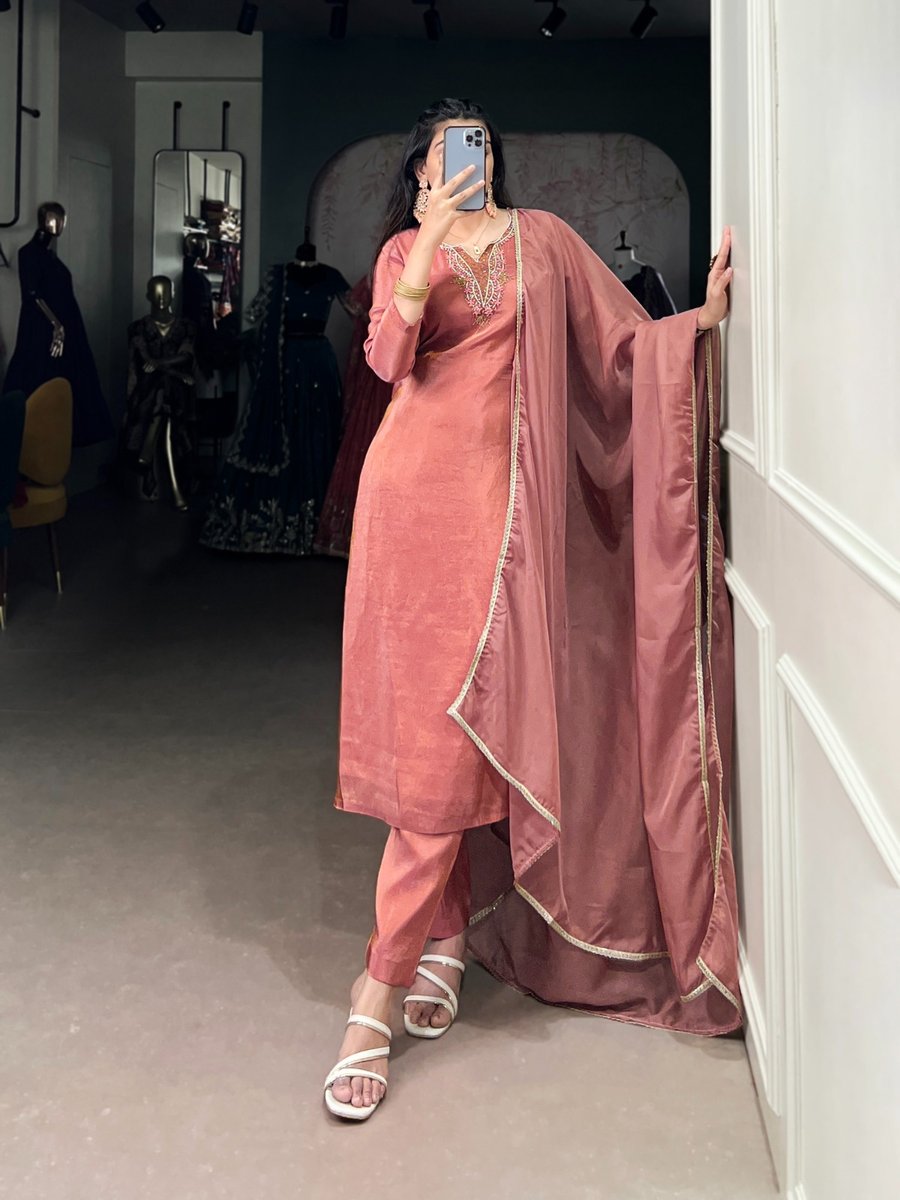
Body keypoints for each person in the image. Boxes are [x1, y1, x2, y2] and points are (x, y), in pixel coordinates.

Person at [324, 98, 737, 1121]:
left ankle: (382, 982)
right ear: (421, 170)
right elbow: (386, 362)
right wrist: (428, 242)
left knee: (458, 739)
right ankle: (429, 951)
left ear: (494, 159)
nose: (466, 161)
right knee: (431, 741)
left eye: (479, 145)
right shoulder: (402, 252)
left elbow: (620, 346)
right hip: (408, 511)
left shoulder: (542, 242)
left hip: (499, 520)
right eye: (445, 152)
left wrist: (698, 327)